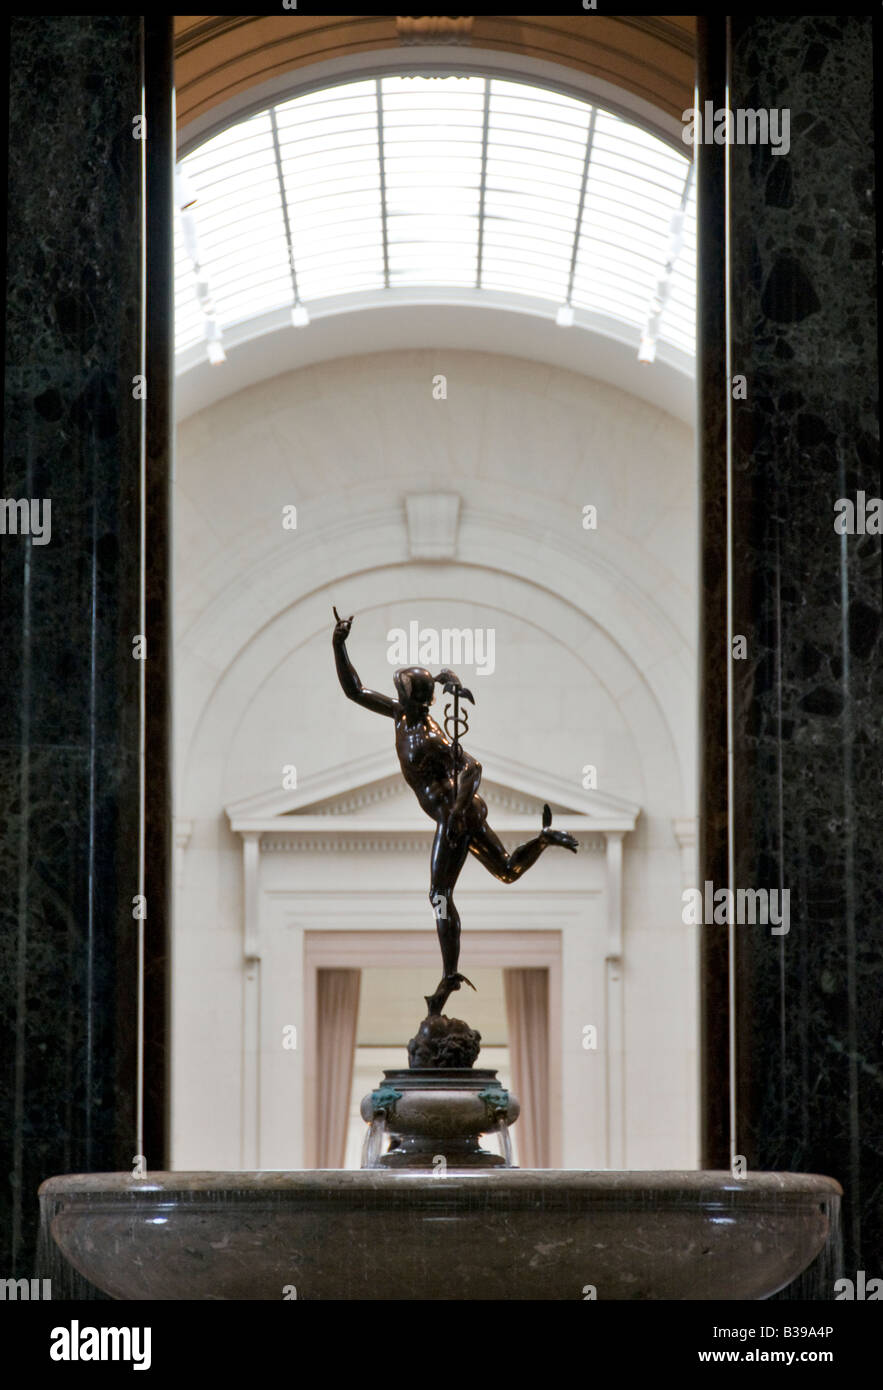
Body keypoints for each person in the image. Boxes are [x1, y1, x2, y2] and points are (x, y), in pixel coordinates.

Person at [332, 608, 578, 1015]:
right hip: (460, 815)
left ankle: (449, 974)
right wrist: (339, 644)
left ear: (415, 698)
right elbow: (354, 691)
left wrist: (456, 811)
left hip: (456, 817)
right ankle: (542, 840)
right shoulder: (400, 715)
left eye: (401, 689)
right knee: (505, 871)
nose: (396, 693)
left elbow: (473, 767)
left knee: (439, 894)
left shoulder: (432, 735)